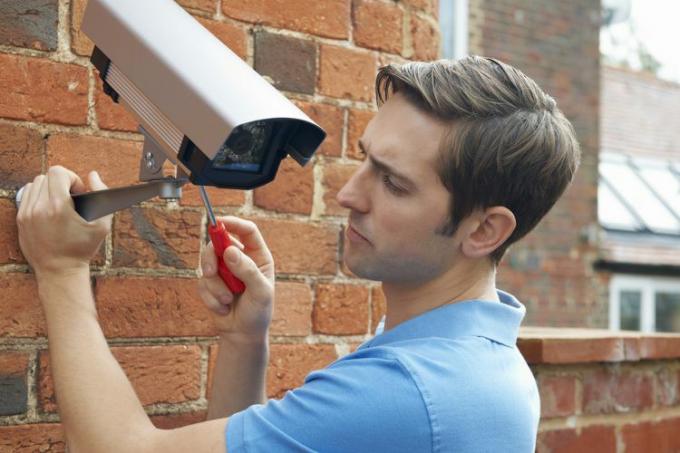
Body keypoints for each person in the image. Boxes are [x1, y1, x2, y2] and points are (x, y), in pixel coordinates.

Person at [16, 55, 580, 452]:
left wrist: (61, 270)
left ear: (485, 231)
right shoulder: (471, 359)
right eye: (366, 161)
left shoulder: (413, 389)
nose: (348, 194)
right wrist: (244, 340)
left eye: (394, 183)